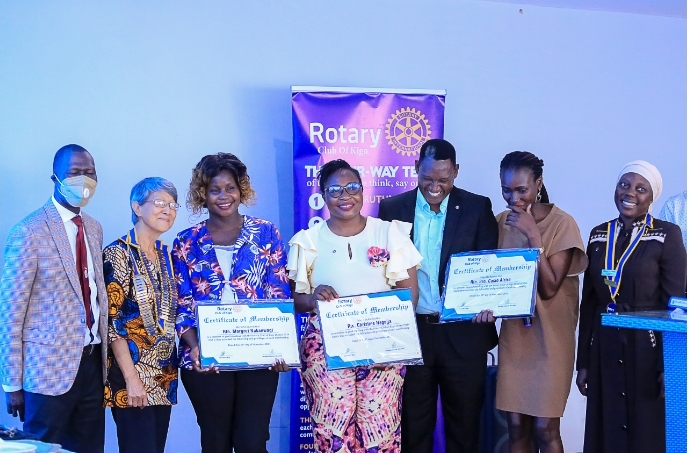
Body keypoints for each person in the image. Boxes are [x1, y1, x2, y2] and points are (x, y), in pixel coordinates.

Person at [287, 159, 421, 453]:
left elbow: (409, 295)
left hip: (383, 344)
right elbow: (296, 301)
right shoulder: (307, 240)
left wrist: (388, 337)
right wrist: (313, 297)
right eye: (335, 190)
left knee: (380, 429)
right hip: (326, 348)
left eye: (352, 187)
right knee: (331, 429)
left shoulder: (388, 233)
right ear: (323, 196)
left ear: (363, 191)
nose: (344, 196)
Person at [377, 138, 498, 453]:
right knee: (414, 429)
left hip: (464, 334)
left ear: (456, 172)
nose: (435, 186)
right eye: (427, 178)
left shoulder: (477, 207)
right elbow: (383, 270)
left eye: (443, 180)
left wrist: (489, 304)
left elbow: (488, 268)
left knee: (465, 430)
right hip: (413, 334)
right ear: (416, 168)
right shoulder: (392, 208)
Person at [172, 152, 290, 453]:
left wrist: (282, 348)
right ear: (203, 194)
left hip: (258, 355)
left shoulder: (266, 233)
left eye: (230, 188)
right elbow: (181, 302)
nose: (223, 196)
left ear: (242, 190)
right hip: (204, 358)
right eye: (214, 189)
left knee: (251, 441)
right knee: (215, 441)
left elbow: (278, 293)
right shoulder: (186, 242)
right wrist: (195, 345)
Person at [475, 151, 587, 453]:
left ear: (538, 184)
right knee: (515, 426)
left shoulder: (563, 224)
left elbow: (550, 287)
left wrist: (532, 234)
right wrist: (483, 306)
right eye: (506, 190)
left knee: (545, 428)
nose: (513, 198)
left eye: (521, 189)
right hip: (517, 338)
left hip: (551, 340)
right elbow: (489, 280)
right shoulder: (499, 222)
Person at [0, 144, 108, 453]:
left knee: (89, 448)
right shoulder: (29, 231)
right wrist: (12, 384)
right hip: (46, 372)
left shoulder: (93, 228)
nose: (83, 180)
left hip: (91, 365)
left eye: (89, 173)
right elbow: (10, 313)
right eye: (74, 173)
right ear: (55, 178)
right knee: (42, 449)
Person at [576, 160, 686, 453]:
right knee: (607, 428)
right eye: (625, 184)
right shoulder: (599, 234)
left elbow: (676, 304)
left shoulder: (667, 234)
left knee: (647, 430)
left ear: (652, 198)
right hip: (605, 344)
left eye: (641, 189)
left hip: (647, 345)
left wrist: (669, 365)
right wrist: (583, 362)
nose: (631, 193)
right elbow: (589, 302)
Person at [102, 177, 180, 453]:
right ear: (137, 207)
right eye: (160, 203)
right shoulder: (117, 253)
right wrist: (132, 379)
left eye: (173, 205)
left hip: (164, 375)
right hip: (131, 376)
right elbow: (112, 323)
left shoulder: (168, 256)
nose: (168, 210)